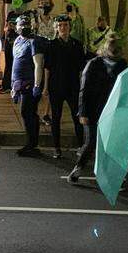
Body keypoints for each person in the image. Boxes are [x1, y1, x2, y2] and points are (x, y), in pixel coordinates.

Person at [67, 33, 127, 183]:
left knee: (110, 144)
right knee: (91, 141)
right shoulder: (94, 64)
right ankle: (78, 168)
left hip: (112, 110)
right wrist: (83, 112)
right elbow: (84, 89)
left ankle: (110, 176)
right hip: (93, 110)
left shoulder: (122, 65)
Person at [45, 15, 86, 159]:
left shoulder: (77, 45)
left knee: (78, 118)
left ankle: (81, 146)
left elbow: (82, 68)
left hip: (73, 87)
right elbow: (47, 68)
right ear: (56, 28)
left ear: (70, 27)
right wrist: (45, 87)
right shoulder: (52, 45)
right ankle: (56, 148)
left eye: (66, 25)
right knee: (56, 118)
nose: (63, 28)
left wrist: (82, 87)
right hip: (56, 87)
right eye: (60, 25)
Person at [10, 13, 48, 156]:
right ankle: (31, 144)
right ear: (16, 27)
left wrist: (37, 86)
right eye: (21, 25)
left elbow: (38, 64)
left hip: (30, 84)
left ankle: (32, 145)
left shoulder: (34, 42)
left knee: (28, 113)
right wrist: (13, 85)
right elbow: (14, 63)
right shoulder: (17, 41)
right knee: (27, 113)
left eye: (27, 25)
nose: (24, 27)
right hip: (19, 84)